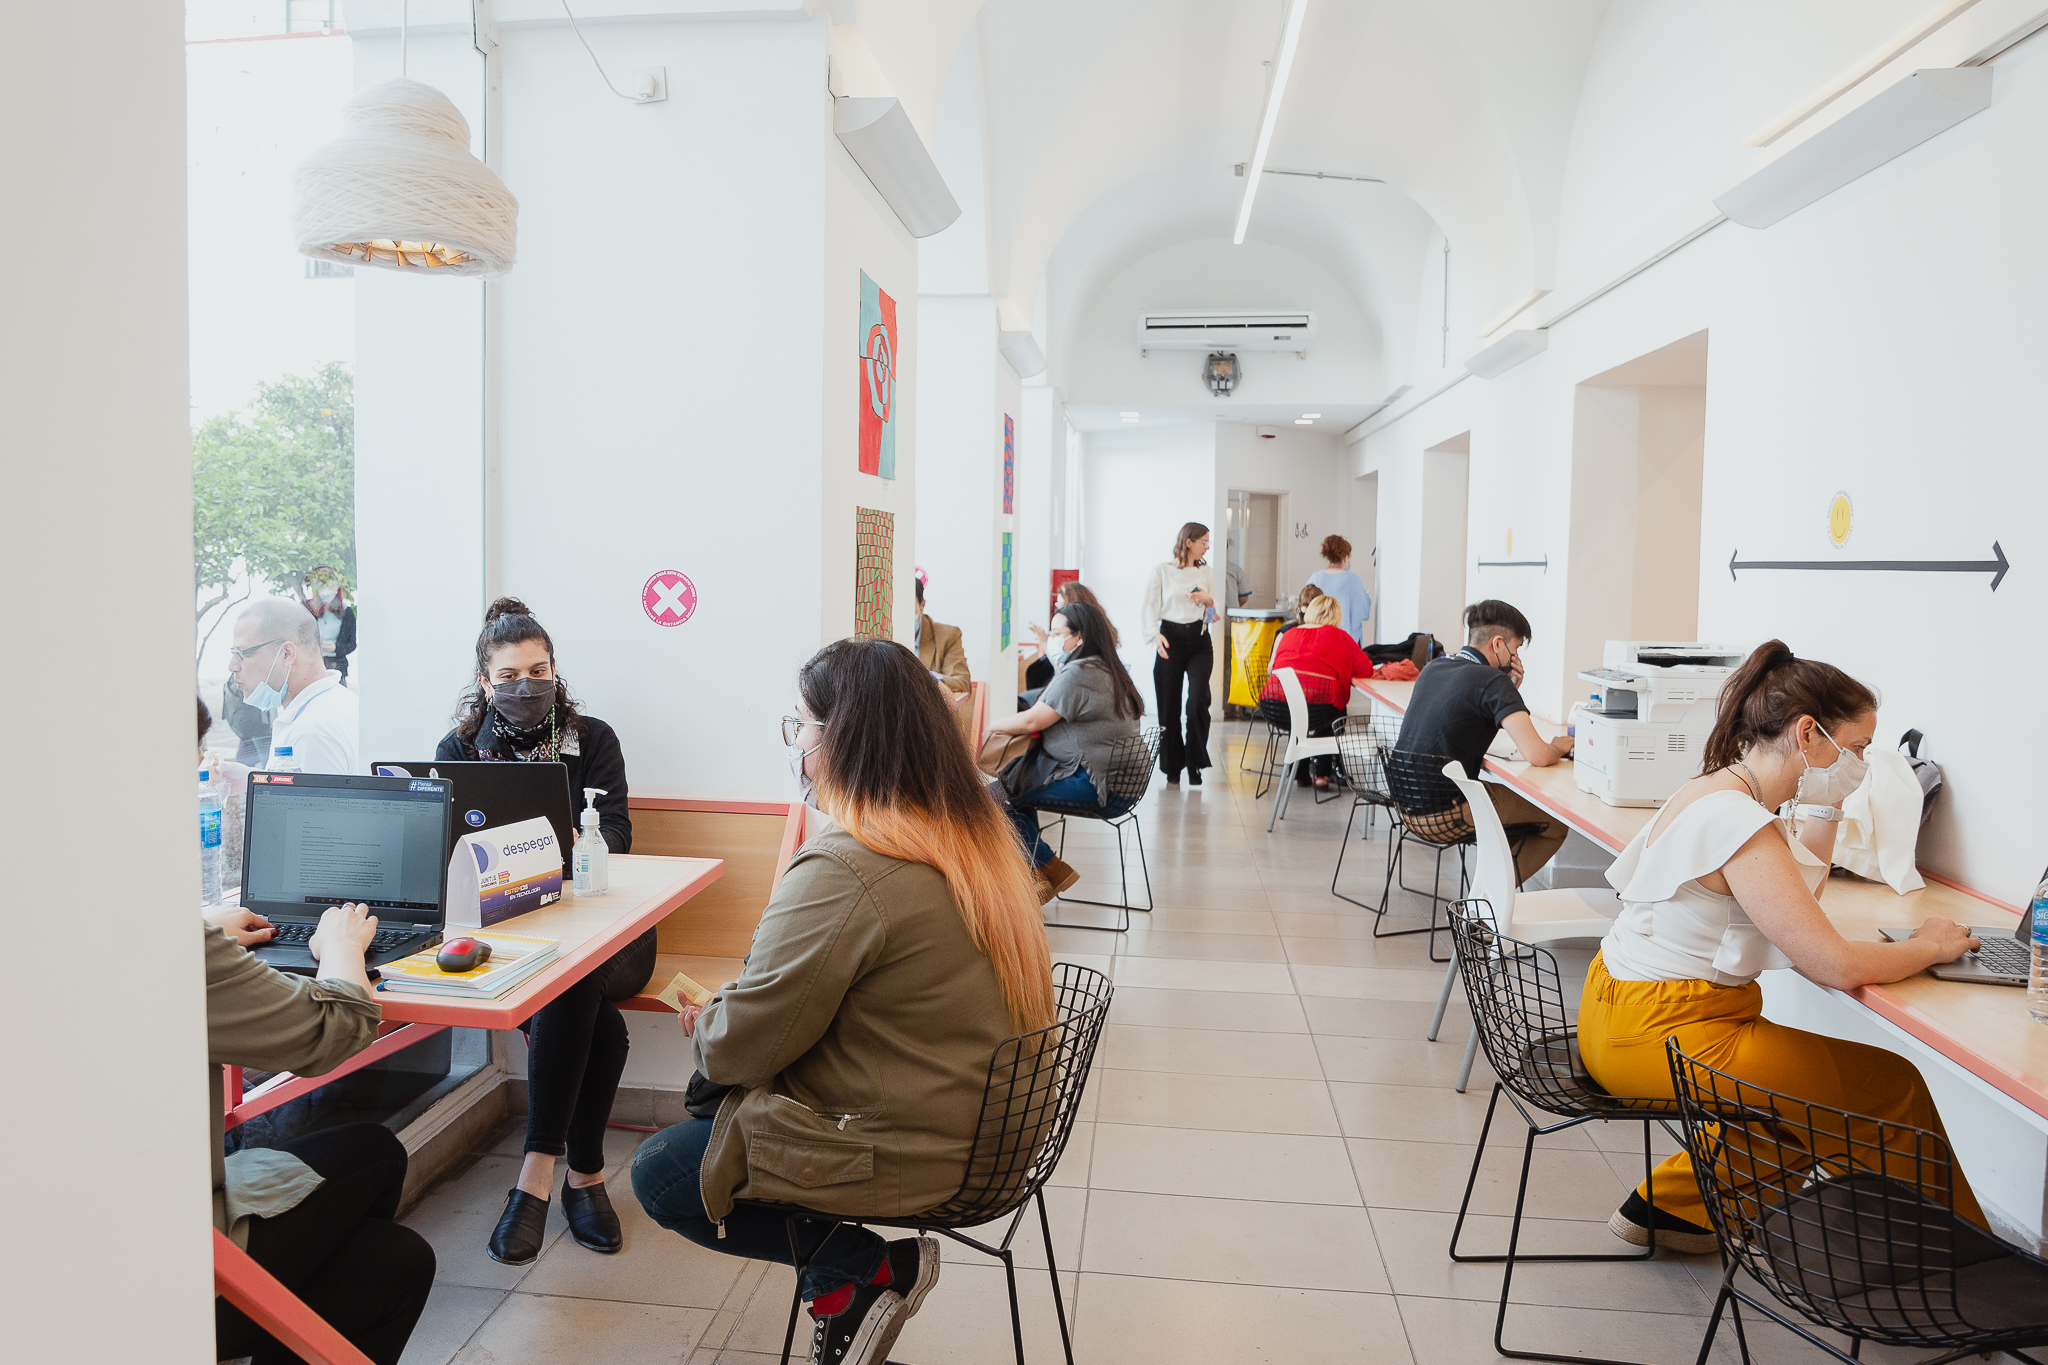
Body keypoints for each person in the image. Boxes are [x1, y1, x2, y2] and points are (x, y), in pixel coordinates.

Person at [631, 637, 1058, 1365]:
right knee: (724, 1107)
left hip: (926, 1147)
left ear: (843, 738)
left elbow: (741, 1045)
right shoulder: (976, 835)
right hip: (999, 1131)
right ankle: (844, 1286)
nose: (794, 742)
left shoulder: (848, 864)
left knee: (666, 1168)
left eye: (799, 724)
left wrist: (710, 1025)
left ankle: (869, 1270)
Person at [1578, 641, 1986, 1252]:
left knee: (1811, 1097)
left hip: (1617, 1010)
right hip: (1667, 1030)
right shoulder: (1739, 823)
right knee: (1891, 1090)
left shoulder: (1716, 791)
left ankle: (1673, 1208)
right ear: (1808, 734)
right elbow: (1831, 963)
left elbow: (1797, 897)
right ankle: (1970, 1272)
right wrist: (1927, 945)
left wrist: (1825, 800)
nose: (1864, 762)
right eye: (1856, 748)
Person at [435, 598, 640, 1263]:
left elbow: (617, 834)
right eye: (512, 673)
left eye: (540, 669)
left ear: (555, 670)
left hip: (609, 925)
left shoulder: (593, 738)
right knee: (590, 1012)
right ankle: (584, 1173)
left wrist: (549, 856)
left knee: (571, 974)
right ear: (487, 681)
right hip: (510, 931)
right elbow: (449, 850)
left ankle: (534, 1176)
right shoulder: (460, 748)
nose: (528, 684)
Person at [205, 901, 435, 1365]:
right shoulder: (171, 952)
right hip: (163, 1277)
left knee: (376, 1150)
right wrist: (342, 945)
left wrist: (208, 932)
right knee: (393, 1263)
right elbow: (337, 1028)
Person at [1393, 599, 1572, 885]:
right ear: (1498, 644)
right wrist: (1561, 746)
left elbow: (1464, 717)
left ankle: (1484, 898)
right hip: (1446, 811)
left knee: (1508, 813)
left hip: (1405, 804)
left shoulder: (1434, 669)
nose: (1516, 657)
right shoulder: (1492, 681)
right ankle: (1482, 908)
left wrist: (1508, 691)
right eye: (1516, 649)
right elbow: (1537, 754)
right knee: (1556, 825)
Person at [990, 600, 1145, 900]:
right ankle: (1038, 875)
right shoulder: (1103, 667)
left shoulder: (1080, 672)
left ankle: (1046, 869)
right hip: (1120, 782)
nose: (1052, 640)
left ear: (1080, 637)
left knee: (997, 796)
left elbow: (1034, 719)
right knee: (1016, 790)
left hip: (1100, 786)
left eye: (1057, 633)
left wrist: (990, 726)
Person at [229, 596, 359, 774]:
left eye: (243, 653)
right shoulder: (342, 701)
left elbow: (309, 801)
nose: (232, 666)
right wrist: (251, 780)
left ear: (287, 654)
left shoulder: (312, 733)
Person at [1260, 594, 1374, 787]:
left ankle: (1301, 772)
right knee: (1332, 710)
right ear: (1337, 616)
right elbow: (1366, 669)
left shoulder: (1290, 634)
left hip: (1273, 705)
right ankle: (1322, 773)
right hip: (1315, 710)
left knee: (1306, 706)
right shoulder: (1340, 637)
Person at [1142, 521, 1217, 785]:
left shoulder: (1207, 571)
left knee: (1197, 701)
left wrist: (1207, 600)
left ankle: (1195, 762)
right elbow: (1150, 606)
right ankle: (1173, 766)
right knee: (1168, 705)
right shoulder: (1162, 571)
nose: (1207, 546)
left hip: (1199, 640)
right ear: (1189, 542)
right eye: (1204, 541)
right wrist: (1155, 634)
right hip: (1169, 639)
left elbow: (1214, 610)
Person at [1020, 581, 1119, 707]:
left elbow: (1062, 672)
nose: (1058, 610)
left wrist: (1044, 641)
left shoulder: (1077, 669)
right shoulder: (1099, 628)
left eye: (1061, 604)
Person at [1307, 534, 1372, 644]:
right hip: (1346, 643)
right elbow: (1364, 613)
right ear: (1346, 558)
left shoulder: (1315, 578)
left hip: (1318, 641)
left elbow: (1306, 609)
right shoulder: (1353, 580)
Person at [911, 575, 970, 696]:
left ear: (922, 606)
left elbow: (962, 682)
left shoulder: (947, 636)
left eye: (908, 607)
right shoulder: (879, 637)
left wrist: (929, 679)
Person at [299, 566, 358, 684]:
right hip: (311, 668)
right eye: (323, 586)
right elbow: (297, 637)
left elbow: (352, 644)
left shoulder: (346, 612)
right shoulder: (306, 609)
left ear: (339, 588)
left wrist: (336, 648)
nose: (328, 590)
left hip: (337, 668)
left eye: (332, 586)